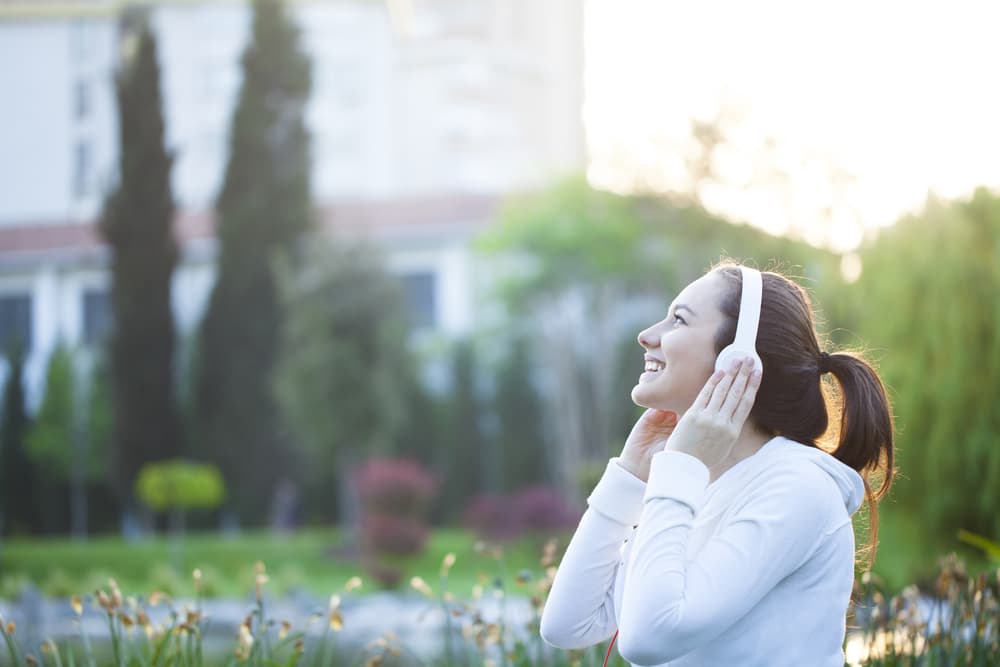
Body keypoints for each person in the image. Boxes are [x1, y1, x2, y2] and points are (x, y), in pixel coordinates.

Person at [539, 261, 894, 667]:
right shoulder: (700, 485)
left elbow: (648, 639)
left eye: (678, 320)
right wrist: (630, 479)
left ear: (738, 360)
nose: (647, 335)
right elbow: (567, 625)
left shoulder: (797, 487)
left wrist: (681, 466)